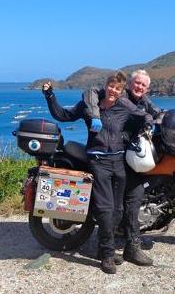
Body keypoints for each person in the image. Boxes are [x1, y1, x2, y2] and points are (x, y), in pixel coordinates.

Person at [42, 71, 152, 274]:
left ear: (121, 91)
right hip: (98, 160)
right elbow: (63, 115)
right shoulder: (89, 106)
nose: (113, 91)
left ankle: (104, 248)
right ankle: (107, 255)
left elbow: (142, 113)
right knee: (105, 209)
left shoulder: (123, 105)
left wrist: (150, 122)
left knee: (118, 210)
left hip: (118, 161)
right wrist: (50, 96)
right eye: (111, 86)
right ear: (106, 85)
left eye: (118, 89)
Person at [81, 69, 160, 266]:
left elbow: (155, 113)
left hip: (128, 156)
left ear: (147, 88)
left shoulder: (143, 101)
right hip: (115, 157)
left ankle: (108, 245)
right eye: (136, 83)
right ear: (129, 84)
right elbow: (91, 92)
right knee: (131, 198)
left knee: (117, 206)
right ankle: (131, 248)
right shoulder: (119, 96)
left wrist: (164, 120)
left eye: (143, 85)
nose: (139, 87)